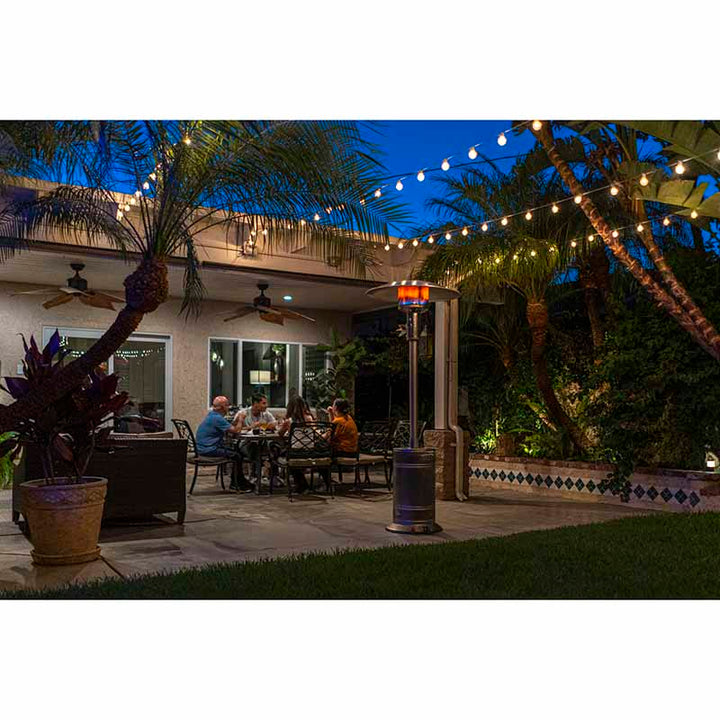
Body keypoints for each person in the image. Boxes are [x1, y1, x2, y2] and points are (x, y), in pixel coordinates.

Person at [195, 396, 253, 492]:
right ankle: (235, 484)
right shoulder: (217, 418)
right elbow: (236, 431)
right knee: (237, 455)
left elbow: (230, 429)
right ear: (222, 407)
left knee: (237, 452)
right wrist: (240, 419)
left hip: (202, 447)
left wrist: (237, 423)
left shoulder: (212, 415)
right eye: (227, 405)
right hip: (209, 449)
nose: (229, 407)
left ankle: (241, 481)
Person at [234, 394, 277, 484]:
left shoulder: (266, 414)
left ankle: (273, 476)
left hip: (262, 443)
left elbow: (274, 424)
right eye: (263, 403)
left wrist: (270, 425)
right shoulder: (243, 413)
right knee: (255, 447)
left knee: (275, 446)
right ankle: (257, 475)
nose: (266, 405)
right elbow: (235, 430)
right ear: (255, 403)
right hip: (245, 443)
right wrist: (251, 427)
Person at [278, 395, 315, 493]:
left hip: (296, 452)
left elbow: (280, 433)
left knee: (278, 452)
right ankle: (301, 485)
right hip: (310, 451)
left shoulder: (289, 421)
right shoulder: (309, 418)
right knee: (291, 453)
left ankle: (301, 485)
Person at [320, 398, 359, 487]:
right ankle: (328, 481)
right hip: (353, 450)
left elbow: (327, 437)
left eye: (333, 405)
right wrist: (331, 413)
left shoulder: (338, 421)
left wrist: (316, 435)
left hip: (344, 450)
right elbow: (333, 426)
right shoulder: (348, 417)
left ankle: (327, 483)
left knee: (320, 457)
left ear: (336, 408)